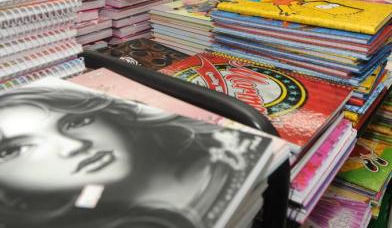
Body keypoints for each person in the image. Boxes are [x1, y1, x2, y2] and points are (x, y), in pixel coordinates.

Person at [0, 82, 256, 228]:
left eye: (76, 122)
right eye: (14, 149)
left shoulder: (224, 155)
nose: (73, 146)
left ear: (109, 117)